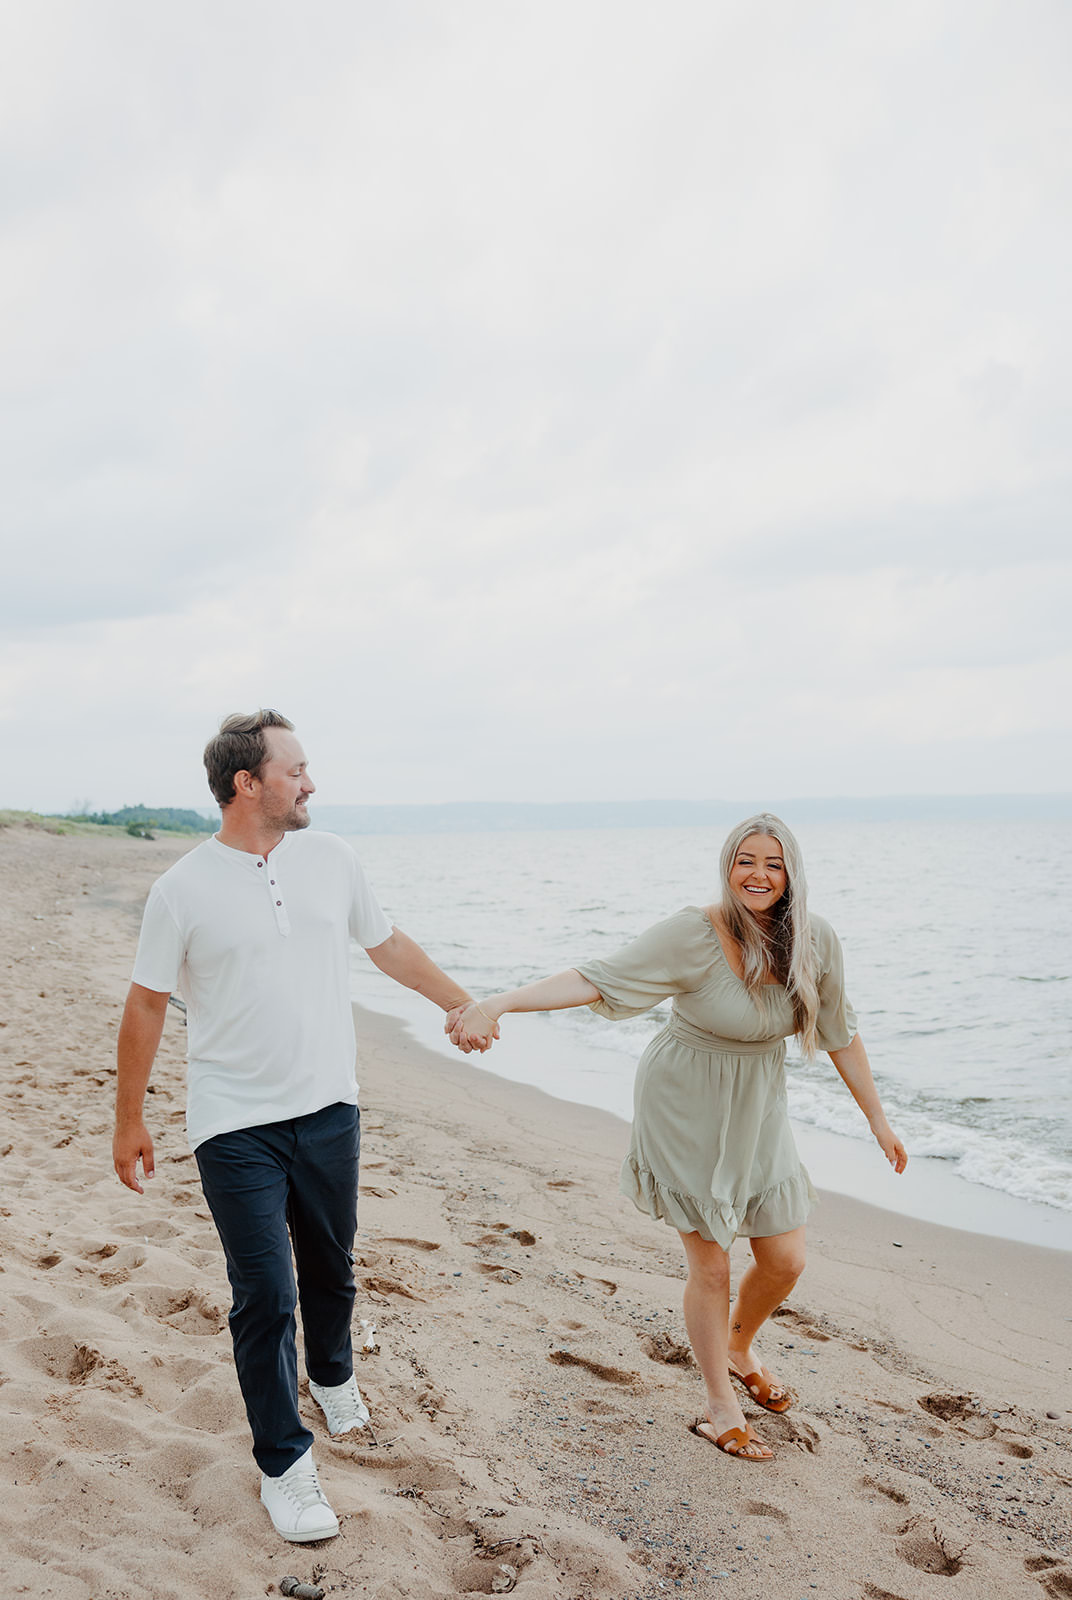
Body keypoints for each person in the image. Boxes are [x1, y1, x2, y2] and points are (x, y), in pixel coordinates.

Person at [113, 709, 489, 1540]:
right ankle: (284, 1467)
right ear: (248, 783)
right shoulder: (180, 889)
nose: (310, 783)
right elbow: (144, 1003)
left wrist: (460, 1002)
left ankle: (333, 1376)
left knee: (329, 1269)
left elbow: (386, 946)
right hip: (232, 1122)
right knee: (266, 1294)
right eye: (295, 770)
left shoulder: (333, 859)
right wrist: (128, 1121)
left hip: (327, 1108)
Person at [447, 813, 907, 1463]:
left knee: (785, 1259)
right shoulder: (693, 933)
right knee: (713, 1262)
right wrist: (498, 1004)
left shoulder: (815, 942)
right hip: (684, 1104)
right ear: (727, 866)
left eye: (773, 864)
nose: (758, 874)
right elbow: (595, 978)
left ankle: (741, 1344)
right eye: (746, 860)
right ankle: (720, 1402)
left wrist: (877, 1120)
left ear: (791, 875)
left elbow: (840, 1032)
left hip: (757, 1108)